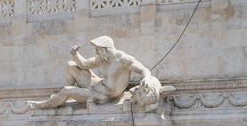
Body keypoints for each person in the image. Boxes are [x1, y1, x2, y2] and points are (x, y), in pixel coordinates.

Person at [28, 36, 162, 109]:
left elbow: (144, 70)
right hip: (98, 85)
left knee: (66, 90)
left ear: (105, 49)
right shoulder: (103, 58)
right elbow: (84, 64)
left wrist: (147, 78)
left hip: (103, 95)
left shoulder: (123, 59)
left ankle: (41, 105)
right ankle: (65, 98)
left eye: (97, 49)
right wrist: (75, 54)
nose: (96, 52)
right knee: (71, 65)